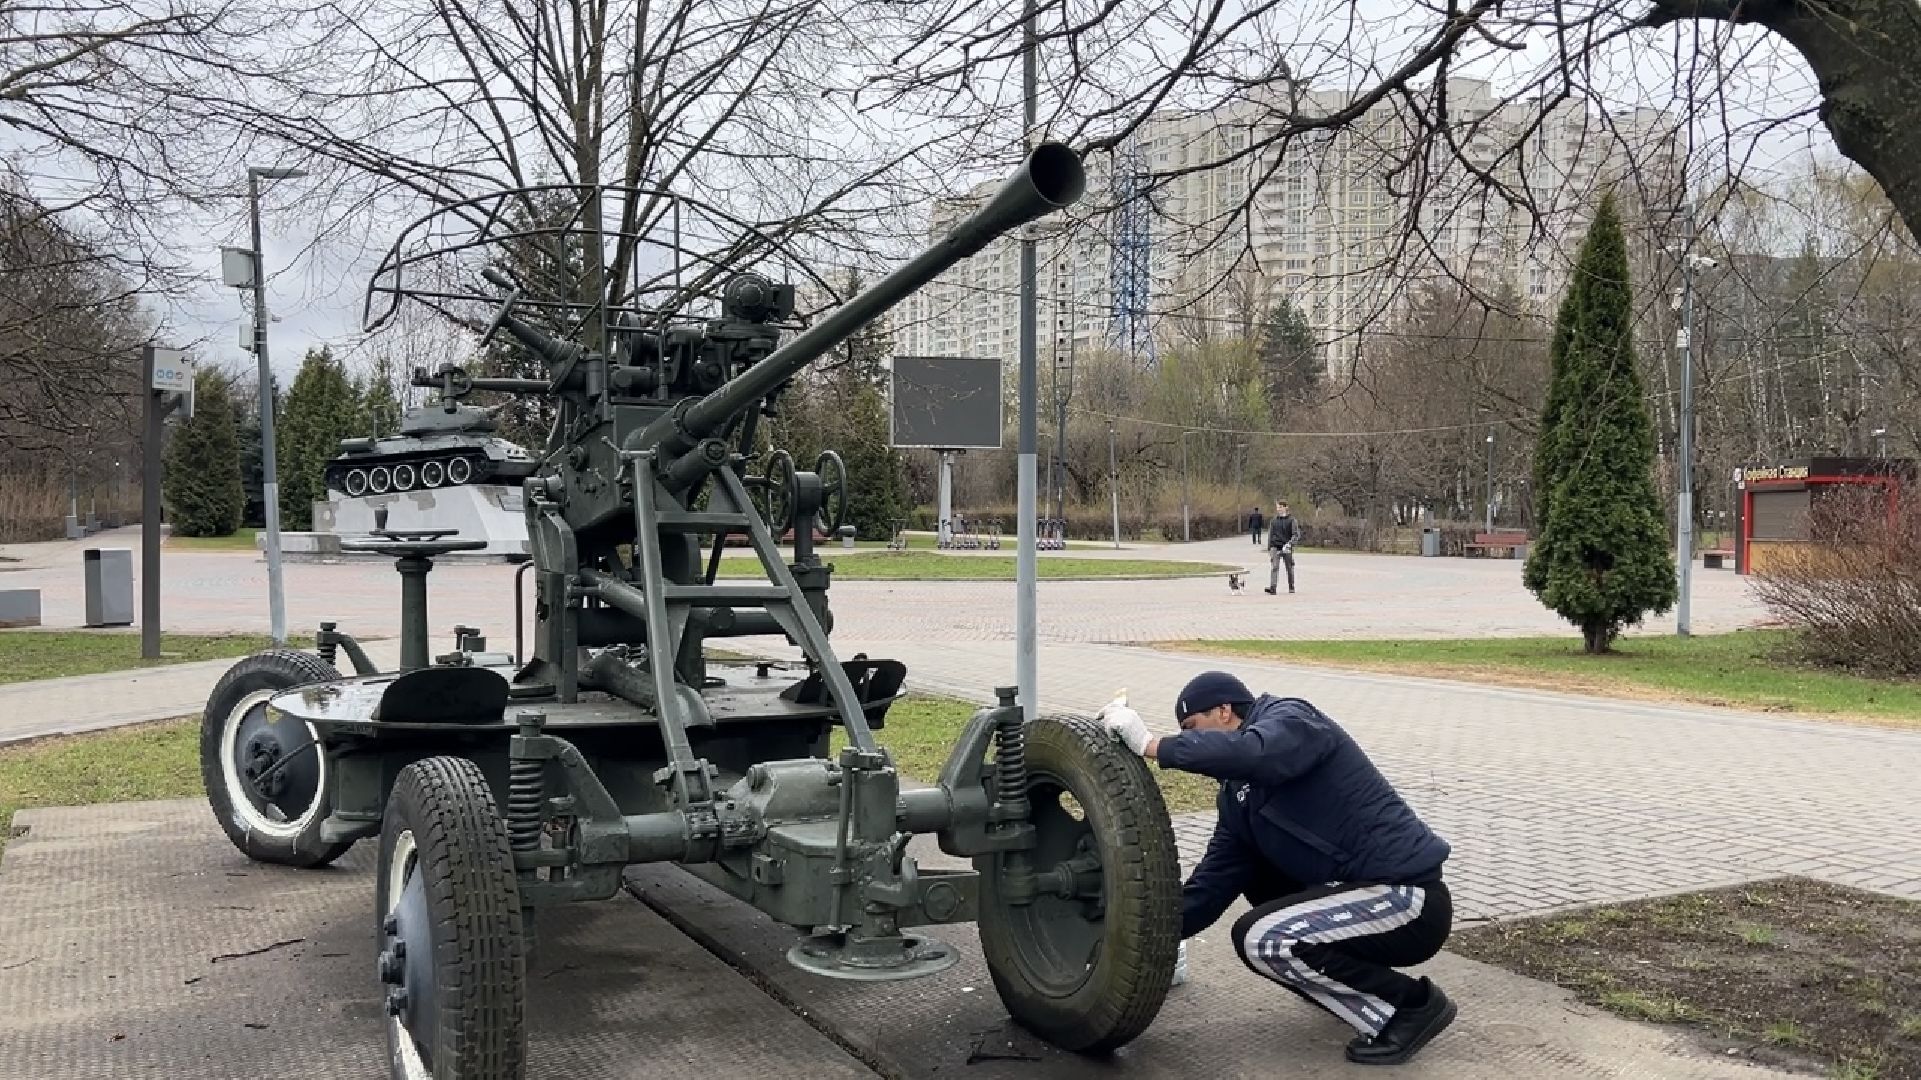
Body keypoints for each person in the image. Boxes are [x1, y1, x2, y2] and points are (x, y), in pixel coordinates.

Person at [1099, 672, 1456, 1066]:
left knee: (1263, 939)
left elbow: (1258, 753)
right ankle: (1357, 986)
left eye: (1192, 728)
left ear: (1224, 711)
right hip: (1361, 904)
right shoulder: (1237, 799)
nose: (1191, 740)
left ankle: (1409, 1007)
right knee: (1254, 883)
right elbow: (1211, 885)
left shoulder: (1292, 720)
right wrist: (1131, 935)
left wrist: (1154, 746)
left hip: (1407, 898)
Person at [1266, 500, 1298, 594]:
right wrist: (1270, 547)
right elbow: (1270, 534)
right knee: (1274, 567)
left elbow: (1295, 535)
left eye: (1280, 507)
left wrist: (1289, 544)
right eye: (1277, 507)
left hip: (1287, 547)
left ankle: (1291, 586)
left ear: (1285, 507)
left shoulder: (1292, 520)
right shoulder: (1274, 521)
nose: (1278, 509)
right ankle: (1273, 587)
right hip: (1275, 546)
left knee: (1289, 567)